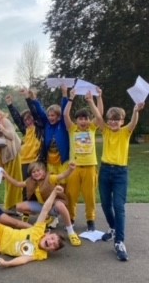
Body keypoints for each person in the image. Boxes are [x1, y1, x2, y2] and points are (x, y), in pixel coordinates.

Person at [86, 90, 145, 261]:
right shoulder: (105, 130)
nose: (113, 122)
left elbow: (133, 123)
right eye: (111, 119)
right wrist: (92, 101)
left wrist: (135, 111)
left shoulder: (126, 131)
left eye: (116, 119)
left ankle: (119, 241)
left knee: (119, 206)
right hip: (105, 171)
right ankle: (113, 229)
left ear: (122, 121)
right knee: (105, 204)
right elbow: (98, 117)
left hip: (120, 173)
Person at [2, 160, 81, 246]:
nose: (36, 173)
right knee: (18, 207)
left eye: (38, 170)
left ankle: (71, 232)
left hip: (53, 206)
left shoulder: (50, 178)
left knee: (60, 205)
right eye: (33, 172)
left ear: (44, 171)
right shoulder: (30, 181)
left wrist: (70, 169)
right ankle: (46, 217)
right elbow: (17, 184)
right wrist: (6, 176)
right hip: (41, 206)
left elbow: (62, 175)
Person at [62, 89, 102, 230]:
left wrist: (96, 99)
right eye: (80, 119)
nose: (83, 121)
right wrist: (71, 98)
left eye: (85, 118)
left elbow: (99, 115)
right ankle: (71, 218)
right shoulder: (72, 129)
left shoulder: (92, 128)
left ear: (89, 120)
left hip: (90, 168)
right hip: (74, 168)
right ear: (76, 120)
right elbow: (65, 114)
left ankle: (90, 220)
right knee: (71, 195)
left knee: (89, 196)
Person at [0, 107, 23, 211]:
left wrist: (2, 128)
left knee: (16, 181)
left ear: (0, 114)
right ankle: (10, 205)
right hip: (6, 157)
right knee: (9, 182)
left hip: (14, 155)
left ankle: (17, 205)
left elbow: (11, 136)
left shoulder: (5, 121)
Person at [6, 90, 44, 183]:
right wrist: (10, 105)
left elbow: (34, 111)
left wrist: (27, 97)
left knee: (38, 184)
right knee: (26, 186)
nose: (28, 121)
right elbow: (17, 118)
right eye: (25, 120)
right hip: (23, 162)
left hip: (36, 161)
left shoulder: (39, 127)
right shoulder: (25, 130)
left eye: (29, 118)